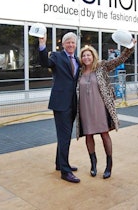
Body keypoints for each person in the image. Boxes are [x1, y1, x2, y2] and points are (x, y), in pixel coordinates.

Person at [75, 41, 135, 179]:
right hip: (85, 109)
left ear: (93, 56)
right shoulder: (79, 72)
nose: (86, 58)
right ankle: (93, 164)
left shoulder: (101, 67)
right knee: (88, 135)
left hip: (101, 108)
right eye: (84, 56)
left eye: (88, 55)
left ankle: (109, 165)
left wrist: (129, 48)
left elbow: (119, 60)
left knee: (104, 134)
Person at [38, 32, 81, 183]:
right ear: (63, 44)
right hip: (60, 104)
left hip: (72, 104)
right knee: (64, 137)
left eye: (73, 43)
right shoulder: (57, 56)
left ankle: (60, 163)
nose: (70, 45)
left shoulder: (77, 60)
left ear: (76, 45)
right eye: (67, 42)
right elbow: (44, 63)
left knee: (65, 136)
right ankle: (65, 171)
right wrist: (42, 45)